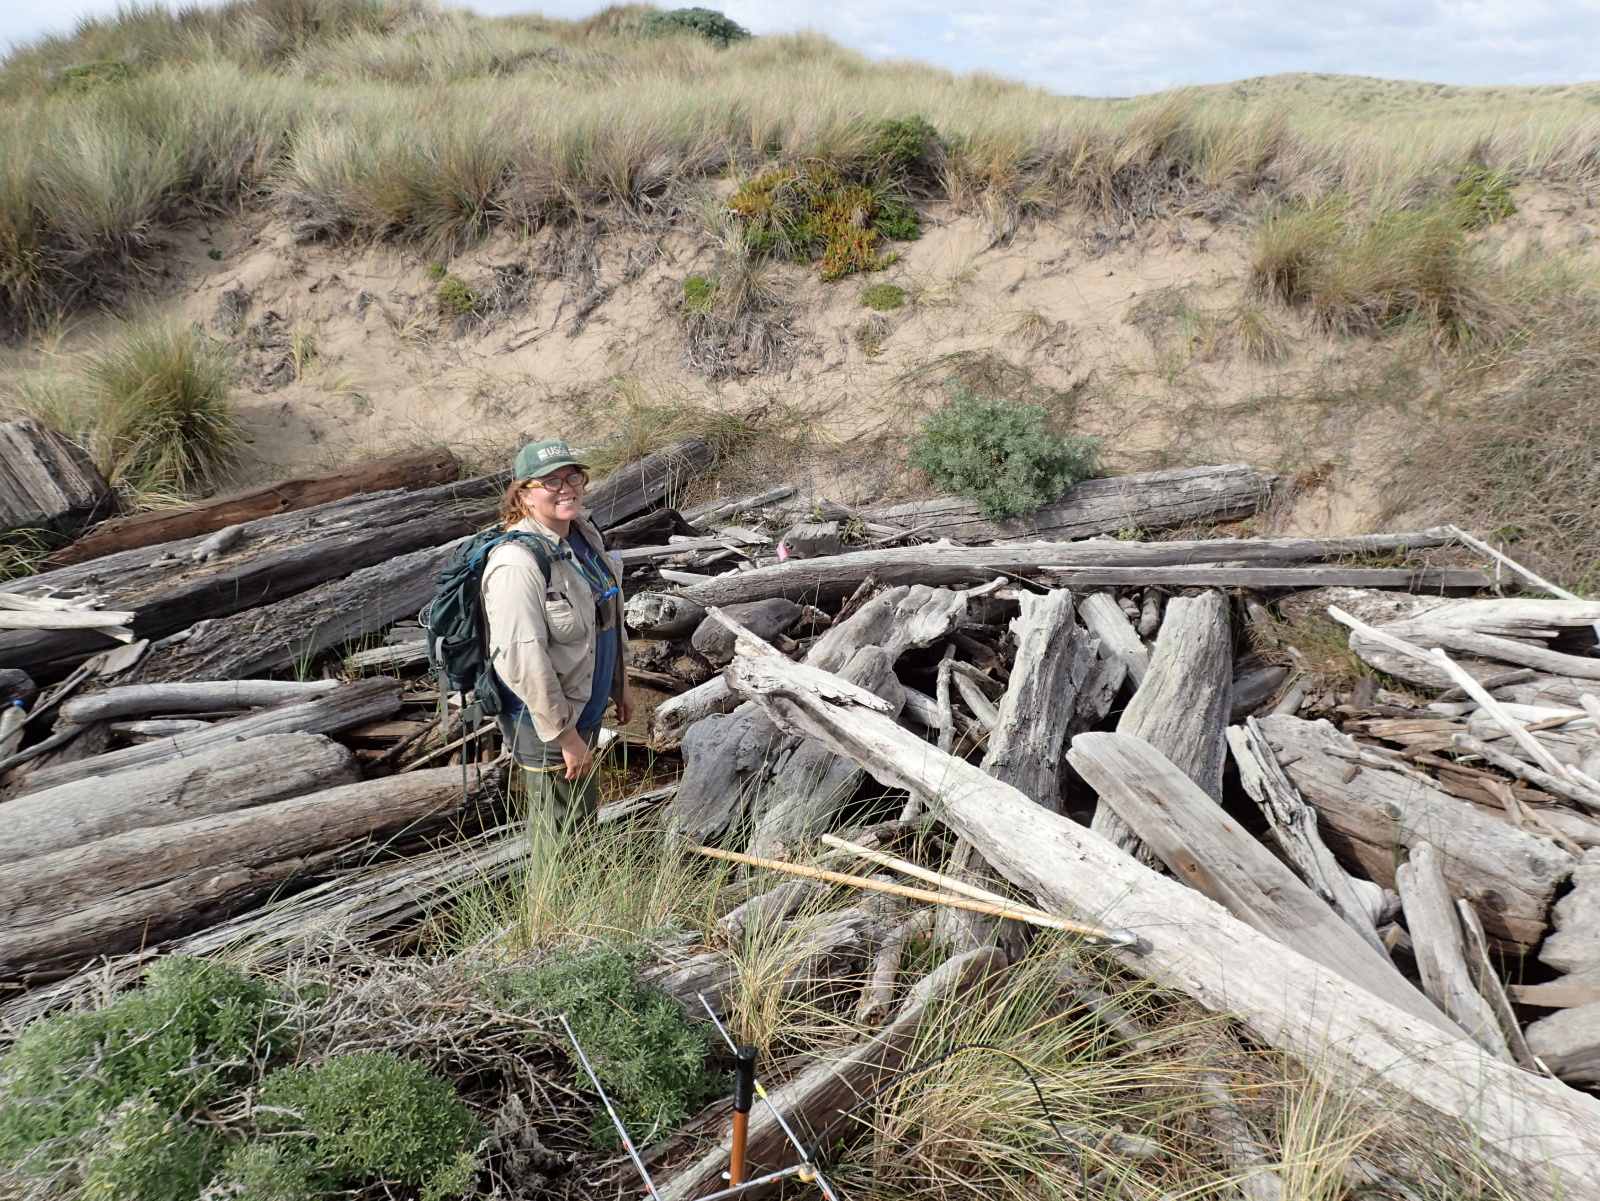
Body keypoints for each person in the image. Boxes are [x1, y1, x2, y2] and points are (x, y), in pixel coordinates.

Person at [481, 439, 633, 831]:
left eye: (573, 477)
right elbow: (522, 659)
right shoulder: (516, 562)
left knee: (581, 823)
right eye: (550, 481)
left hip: (586, 705)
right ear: (524, 495)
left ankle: (584, 892)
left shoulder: (582, 534)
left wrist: (622, 686)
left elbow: (608, 618)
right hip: (547, 724)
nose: (566, 488)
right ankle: (550, 896)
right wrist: (566, 739)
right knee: (559, 836)